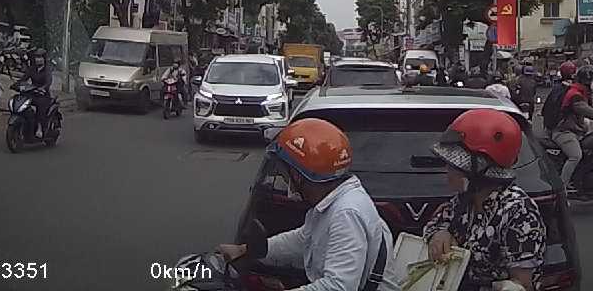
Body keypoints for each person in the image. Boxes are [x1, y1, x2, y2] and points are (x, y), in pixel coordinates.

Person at [218, 118, 396, 291]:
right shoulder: (333, 202)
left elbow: (339, 286)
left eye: (285, 174)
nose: (284, 180)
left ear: (297, 176)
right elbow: (303, 239)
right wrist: (245, 250)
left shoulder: (346, 214)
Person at [425, 109, 546, 291]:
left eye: (453, 165)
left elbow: (522, 284)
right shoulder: (463, 202)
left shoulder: (517, 211)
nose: (447, 171)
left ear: (479, 169)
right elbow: (434, 224)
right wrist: (439, 233)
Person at [551, 65, 593, 194]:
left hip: (575, 130)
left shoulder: (583, 92)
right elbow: (592, 114)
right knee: (575, 156)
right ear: (586, 80)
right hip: (564, 132)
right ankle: (561, 190)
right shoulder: (575, 95)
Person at [19, 50, 55, 137]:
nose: (38, 60)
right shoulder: (32, 69)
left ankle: (39, 128)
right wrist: (17, 84)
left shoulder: (47, 70)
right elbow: (24, 78)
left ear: (44, 59)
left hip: (43, 94)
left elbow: (48, 82)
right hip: (32, 92)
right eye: (36, 57)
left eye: (40, 57)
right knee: (22, 102)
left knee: (40, 106)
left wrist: (42, 88)